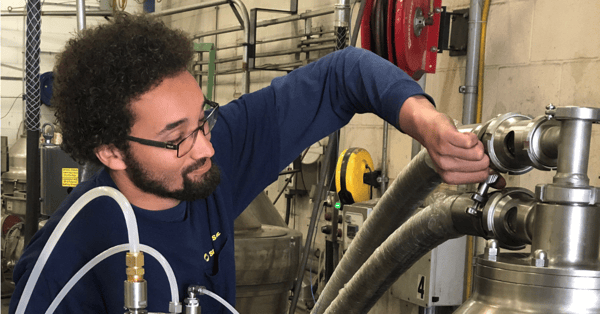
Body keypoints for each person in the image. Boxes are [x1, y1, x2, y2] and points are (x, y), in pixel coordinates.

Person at [9, 13, 490, 313]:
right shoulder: (70, 253)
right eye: (176, 138)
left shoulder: (212, 160)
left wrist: (425, 122)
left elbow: (341, 75)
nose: (205, 148)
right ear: (110, 151)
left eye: (203, 120)